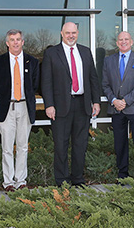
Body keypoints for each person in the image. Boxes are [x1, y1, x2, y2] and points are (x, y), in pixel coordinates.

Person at [42, 22, 101, 186]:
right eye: (68, 33)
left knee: (80, 144)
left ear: (78, 33)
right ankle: (61, 180)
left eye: (73, 32)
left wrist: (95, 101)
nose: (71, 36)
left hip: (82, 105)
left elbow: (93, 79)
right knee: (61, 145)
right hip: (60, 106)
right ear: (61, 33)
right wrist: (49, 104)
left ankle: (78, 179)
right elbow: (46, 82)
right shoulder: (52, 53)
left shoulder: (85, 51)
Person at [0, 29, 40, 191]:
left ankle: (21, 180)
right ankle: (9, 182)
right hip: (7, 108)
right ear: (7, 43)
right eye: (12, 40)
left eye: (18, 39)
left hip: (25, 106)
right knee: (7, 147)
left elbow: (35, 84)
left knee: (23, 146)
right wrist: (4, 97)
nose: (16, 42)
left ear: (23, 41)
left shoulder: (31, 61)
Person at [102, 31, 134, 180]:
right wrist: (114, 100)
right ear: (117, 43)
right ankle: (122, 175)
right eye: (120, 40)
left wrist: (126, 101)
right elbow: (105, 84)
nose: (123, 42)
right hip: (116, 109)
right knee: (120, 145)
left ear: (131, 42)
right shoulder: (108, 61)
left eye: (126, 39)